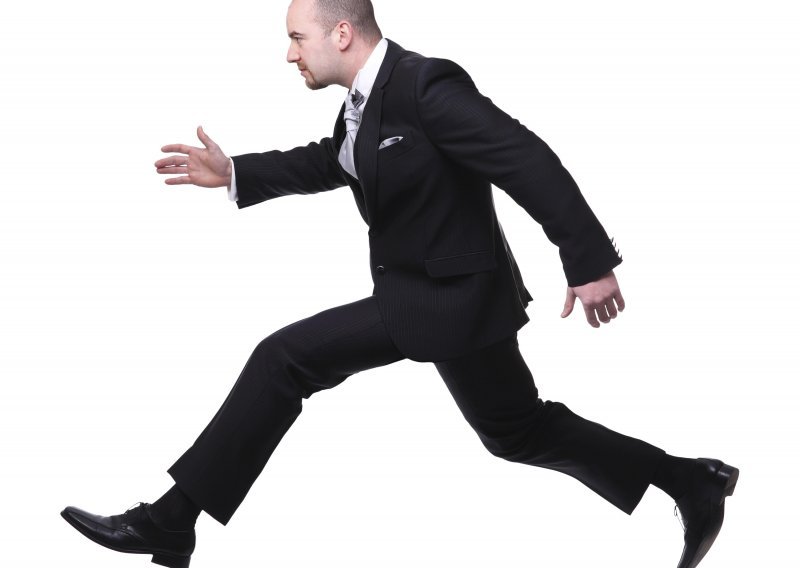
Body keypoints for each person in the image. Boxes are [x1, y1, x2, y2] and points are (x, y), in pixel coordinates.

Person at [60, 1, 738, 567]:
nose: (290, 54)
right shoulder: (365, 102)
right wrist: (237, 171)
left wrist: (586, 261)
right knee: (516, 432)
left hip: (444, 297)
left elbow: (523, 157)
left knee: (283, 359)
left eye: (297, 38)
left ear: (341, 33)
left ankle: (172, 520)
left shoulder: (425, 87)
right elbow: (337, 160)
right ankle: (690, 479)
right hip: (454, 301)